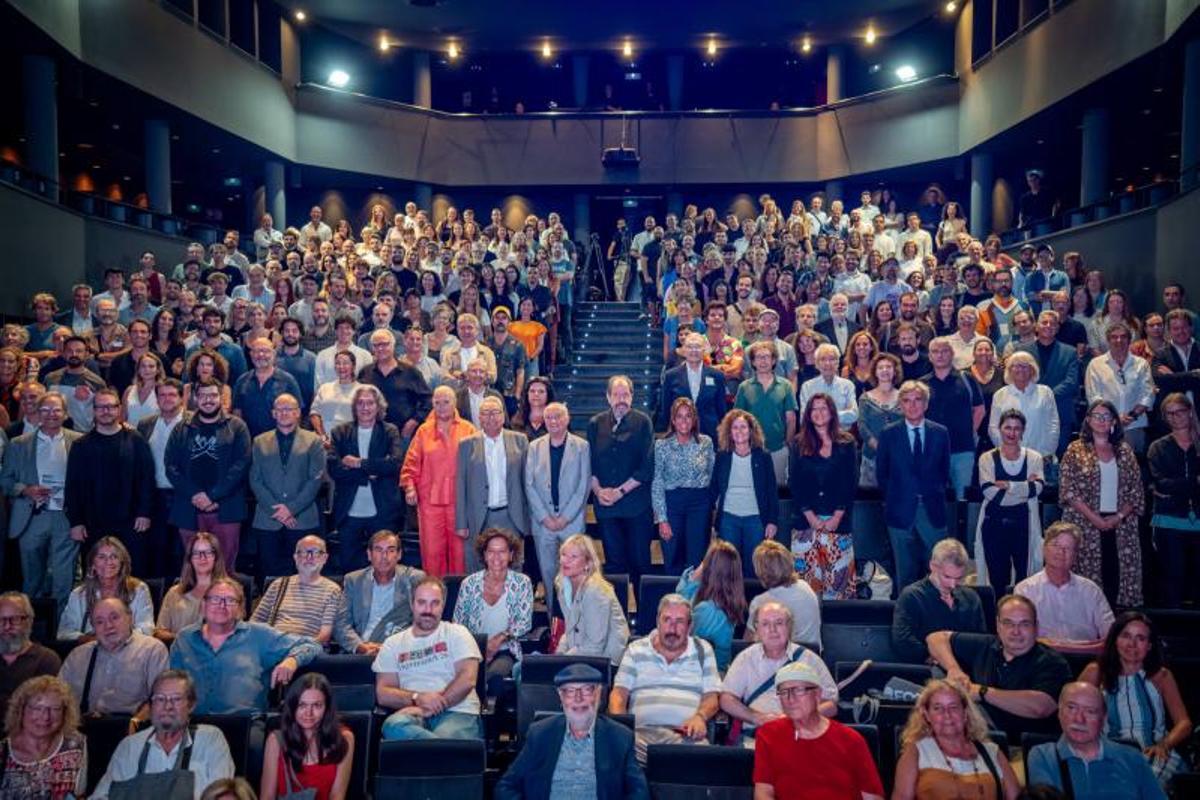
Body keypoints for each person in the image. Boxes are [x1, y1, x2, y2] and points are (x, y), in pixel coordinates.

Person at [169, 577, 321, 714]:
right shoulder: (185, 639)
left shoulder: (259, 635)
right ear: (203, 605)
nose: (222, 605)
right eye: (215, 599)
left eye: (230, 600)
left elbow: (311, 644)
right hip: (194, 725)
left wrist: (292, 660)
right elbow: (172, 687)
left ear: (240, 609)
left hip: (245, 726)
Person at [496, 662, 649, 799]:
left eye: (587, 690)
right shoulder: (540, 734)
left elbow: (640, 793)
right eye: (569, 691)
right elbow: (506, 786)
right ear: (561, 697)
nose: (578, 698)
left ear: (598, 694)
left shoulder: (620, 737)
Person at [925, 594, 1072, 736]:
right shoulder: (987, 645)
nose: (1016, 631)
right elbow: (936, 638)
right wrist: (953, 669)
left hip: (1026, 748)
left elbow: (1041, 707)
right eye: (1008, 623)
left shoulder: (1053, 662)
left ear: (1036, 627)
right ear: (998, 625)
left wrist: (983, 693)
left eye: (1024, 624)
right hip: (980, 737)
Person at [1079, 612, 1193, 787]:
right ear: (1115, 640)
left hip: (1153, 751)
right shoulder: (1095, 672)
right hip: (1107, 751)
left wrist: (1164, 744)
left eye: (1140, 638)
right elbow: (1073, 714)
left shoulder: (1161, 676)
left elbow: (1184, 723)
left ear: (1149, 646)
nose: (1132, 644)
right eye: (1126, 636)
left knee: (1141, 785)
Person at [609, 594, 721, 763]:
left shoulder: (702, 650)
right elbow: (618, 694)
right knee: (613, 753)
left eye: (680, 621)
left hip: (685, 736)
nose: (672, 628)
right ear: (658, 622)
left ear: (689, 626)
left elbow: (712, 698)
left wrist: (700, 717)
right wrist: (621, 729)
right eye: (667, 619)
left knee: (704, 761)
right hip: (639, 736)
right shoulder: (636, 650)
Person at [91, 669, 234, 800]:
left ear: (191, 705)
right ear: (150, 706)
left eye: (176, 699)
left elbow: (223, 796)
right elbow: (102, 796)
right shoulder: (130, 746)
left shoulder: (210, 739)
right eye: (160, 699)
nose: (168, 706)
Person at [751, 660, 885, 800]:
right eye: (784, 692)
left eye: (799, 690)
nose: (790, 699)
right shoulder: (769, 734)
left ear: (817, 695)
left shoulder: (851, 740)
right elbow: (763, 793)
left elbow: (872, 797)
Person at [373, 577, 483, 741]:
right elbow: (383, 693)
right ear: (412, 604)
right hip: (413, 715)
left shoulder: (458, 633)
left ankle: (435, 751)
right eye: (422, 602)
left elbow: (467, 680)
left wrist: (435, 706)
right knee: (392, 726)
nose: (428, 610)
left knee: (444, 739)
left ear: (442, 606)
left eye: (435, 603)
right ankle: (441, 753)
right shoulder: (393, 644)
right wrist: (417, 699)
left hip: (459, 712)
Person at [1060, 399, 1146, 607]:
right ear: (1088, 420)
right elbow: (1068, 490)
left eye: (1106, 416)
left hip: (1121, 525)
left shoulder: (1124, 450)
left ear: (1114, 421)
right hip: (1084, 523)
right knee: (1087, 586)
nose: (1101, 420)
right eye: (1096, 416)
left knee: (1117, 580)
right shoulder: (1075, 450)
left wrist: (1117, 517)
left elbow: (1136, 490)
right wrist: (1095, 519)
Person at [63, 386, 155, 576]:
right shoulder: (81, 446)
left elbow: (146, 479)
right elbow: (73, 487)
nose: (106, 411)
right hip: (92, 523)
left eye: (111, 407)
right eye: (101, 407)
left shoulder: (135, 440)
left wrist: (144, 513)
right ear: (94, 410)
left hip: (131, 521)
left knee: (132, 573)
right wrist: (76, 522)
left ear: (119, 409)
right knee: (96, 575)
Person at [1, 392, 81, 608]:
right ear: (37, 413)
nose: (50, 414)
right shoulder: (18, 444)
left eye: (56, 410)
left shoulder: (79, 441)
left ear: (65, 414)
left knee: (64, 579)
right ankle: (32, 629)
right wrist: (26, 489)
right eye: (45, 410)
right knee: (32, 580)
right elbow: (5, 480)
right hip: (31, 517)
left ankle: (60, 631)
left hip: (65, 518)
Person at [165, 377, 252, 574]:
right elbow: (171, 466)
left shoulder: (237, 427)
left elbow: (241, 465)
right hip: (189, 508)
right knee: (192, 568)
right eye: (203, 395)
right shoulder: (182, 428)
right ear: (195, 398)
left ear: (220, 397)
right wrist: (195, 495)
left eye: (213, 395)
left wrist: (213, 496)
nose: (208, 400)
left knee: (225, 568)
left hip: (226, 508)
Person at [721, 601, 836, 747]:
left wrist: (796, 718)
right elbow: (726, 698)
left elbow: (831, 704)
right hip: (757, 736)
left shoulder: (809, 659)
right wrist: (757, 718)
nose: (772, 630)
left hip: (802, 735)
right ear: (757, 629)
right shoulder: (746, 658)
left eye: (779, 623)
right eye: (765, 624)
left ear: (789, 626)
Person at [1027, 682, 1167, 800]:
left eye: (1090, 711)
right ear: (1059, 712)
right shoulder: (1042, 756)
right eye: (1071, 708)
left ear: (1104, 718)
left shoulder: (1132, 757)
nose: (1079, 719)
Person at [876, 381, 952, 594]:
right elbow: (882, 474)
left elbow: (944, 472)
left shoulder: (940, 432)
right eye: (907, 401)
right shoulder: (889, 434)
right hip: (900, 512)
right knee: (905, 574)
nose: (912, 405)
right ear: (900, 405)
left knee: (939, 572)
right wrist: (896, 498)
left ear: (926, 404)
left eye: (918, 400)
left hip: (932, 510)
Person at [892, 678, 1021, 800]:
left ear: (965, 713)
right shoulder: (916, 751)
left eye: (953, 707)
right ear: (927, 716)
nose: (947, 715)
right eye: (937, 708)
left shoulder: (993, 752)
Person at [401, 384, 477, 577]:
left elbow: (477, 466)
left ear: (455, 403)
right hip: (429, 504)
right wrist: (410, 487)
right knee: (432, 553)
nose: (442, 406)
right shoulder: (423, 431)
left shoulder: (468, 429)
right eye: (437, 402)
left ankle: (459, 599)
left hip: (460, 504)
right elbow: (411, 462)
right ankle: (434, 598)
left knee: (460, 554)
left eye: (446, 402)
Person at [587, 375, 656, 588]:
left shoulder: (643, 422)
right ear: (608, 397)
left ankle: (644, 618)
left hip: (636, 505)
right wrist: (598, 491)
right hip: (607, 507)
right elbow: (590, 464)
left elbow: (646, 466)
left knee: (640, 564)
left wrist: (620, 492)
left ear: (632, 397)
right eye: (616, 395)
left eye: (625, 394)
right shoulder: (595, 424)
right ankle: (617, 618)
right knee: (614, 567)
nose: (621, 399)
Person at [790, 392, 859, 599]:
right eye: (814, 409)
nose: (819, 413)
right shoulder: (798, 443)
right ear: (808, 414)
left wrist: (837, 516)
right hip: (806, 524)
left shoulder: (847, 443)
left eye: (823, 408)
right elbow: (795, 482)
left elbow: (850, 482)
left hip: (838, 524)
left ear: (831, 412)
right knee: (806, 591)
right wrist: (811, 516)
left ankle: (836, 631)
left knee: (838, 589)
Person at [249, 395, 327, 580]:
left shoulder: (313, 441)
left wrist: (291, 509)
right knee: (269, 576)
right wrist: (276, 510)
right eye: (280, 409)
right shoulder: (259, 441)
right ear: (273, 413)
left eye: (289, 409)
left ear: (298, 413)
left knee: (304, 576)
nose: (284, 413)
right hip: (268, 519)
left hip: (302, 518)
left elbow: (315, 479)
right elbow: (255, 479)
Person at [524, 403, 590, 618]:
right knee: (549, 575)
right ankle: (555, 622)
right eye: (549, 417)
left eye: (558, 417)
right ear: (544, 421)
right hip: (543, 525)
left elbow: (583, 485)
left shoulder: (581, 446)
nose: (554, 421)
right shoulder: (534, 447)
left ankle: (576, 618)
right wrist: (545, 517)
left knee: (575, 575)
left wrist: (565, 517)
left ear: (567, 419)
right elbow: (529, 485)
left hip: (571, 522)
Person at [328, 385, 402, 571]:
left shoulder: (389, 431)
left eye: (370, 403)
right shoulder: (340, 432)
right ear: (354, 407)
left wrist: (359, 463)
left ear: (378, 407)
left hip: (382, 510)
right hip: (349, 511)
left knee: (384, 566)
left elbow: (394, 465)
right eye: (360, 403)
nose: (365, 408)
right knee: (348, 566)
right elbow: (335, 469)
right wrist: (373, 470)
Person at [452, 529, 533, 698]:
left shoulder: (522, 583)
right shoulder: (469, 584)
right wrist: (480, 646)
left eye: (502, 551)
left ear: (511, 555)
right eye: (491, 551)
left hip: (505, 650)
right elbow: (457, 623)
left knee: (492, 679)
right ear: (484, 555)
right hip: (471, 649)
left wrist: (499, 640)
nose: (496, 557)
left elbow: (524, 622)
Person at [454, 396, 530, 574]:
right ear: (479, 418)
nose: (491, 417)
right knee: (479, 565)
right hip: (480, 517)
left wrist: (528, 518)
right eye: (485, 413)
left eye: (495, 412)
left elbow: (527, 482)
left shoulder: (520, 441)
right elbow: (461, 484)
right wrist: (461, 522)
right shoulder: (466, 445)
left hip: (512, 516)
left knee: (514, 564)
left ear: (503, 416)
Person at [1015, 522, 1114, 655]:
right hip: (1042, 662)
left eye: (1068, 548)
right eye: (1056, 545)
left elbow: (1112, 638)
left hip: (1085, 660)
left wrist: (1059, 647)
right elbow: (1020, 638)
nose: (1061, 552)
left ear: (1075, 556)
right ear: (1044, 549)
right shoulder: (1024, 590)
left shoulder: (1091, 590)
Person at [59, 597, 168, 717]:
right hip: (83, 727)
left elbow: (160, 699)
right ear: (93, 627)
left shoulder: (152, 650)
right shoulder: (77, 656)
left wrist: (137, 724)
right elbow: (58, 699)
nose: (108, 626)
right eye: (100, 622)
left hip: (131, 727)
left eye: (114, 618)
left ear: (130, 618)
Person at [975, 408, 1046, 588]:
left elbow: (1037, 488)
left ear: (1023, 431)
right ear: (1000, 429)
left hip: (1024, 524)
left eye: (1017, 428)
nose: (1012, 433)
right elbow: (991, 493)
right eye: (1008, 427)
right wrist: (1024, 487)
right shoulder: (986, 458)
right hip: (993, 525)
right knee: (997, 579)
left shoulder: (1034, 457)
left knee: (1024, 578)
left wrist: (1009, 485)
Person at [259, 673, 353, 800]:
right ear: (293, 706)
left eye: (317, 705)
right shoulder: (276, 740)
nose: (308, 713)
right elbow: (267, 797)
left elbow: (337, 796)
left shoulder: (344, 738)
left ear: (327, 708)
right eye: (302, 705)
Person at [892, 539, 987, 664]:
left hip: (968, 667)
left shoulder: (971, 598)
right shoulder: (912, 596)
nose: (953, 585)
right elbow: (903, 641)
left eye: (959, 578)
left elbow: (981, 640)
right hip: (928, 668)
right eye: (947, 577)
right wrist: (938, 659)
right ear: (932, 566)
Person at [711, 409, 780, 576]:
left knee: (753, 568)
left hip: (755, 519)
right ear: (729, 431)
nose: (739, 431)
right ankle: (731, 602)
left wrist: (772, 521)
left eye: (743, 427)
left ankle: (752, 602)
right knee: (729, 569)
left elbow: (772, 491)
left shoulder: (763, 457)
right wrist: (710, 523)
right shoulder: (722, 457)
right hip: (729, 519)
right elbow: (713, 490)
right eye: (735, 427)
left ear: (751, 431)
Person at [1147, 392, 1200, 607]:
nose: (1176, 417)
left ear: (1189, 412)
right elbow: (1161, 484)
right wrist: (1195, 482)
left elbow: (1170, 485)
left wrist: (1178, 486)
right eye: (1170, 414)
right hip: (1168, 521)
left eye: (1180, 412)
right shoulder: (1158, 447)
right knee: (1172, 579)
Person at [334, 529, 424, 655]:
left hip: (399, 651)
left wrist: (396, 647)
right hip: (362, 651)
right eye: (378, 550)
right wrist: (360, 647)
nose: (384, 556)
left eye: (391, 550)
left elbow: (422, 621)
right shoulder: (354, 580)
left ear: (399, 555)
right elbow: (341, 624)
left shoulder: (412, 579)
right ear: (369, 555)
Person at [651, 397, 716, 574]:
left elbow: (712, 474)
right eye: (679, 416)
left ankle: (694, 599)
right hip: (672, 504)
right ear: (673, 420)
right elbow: (657, 482)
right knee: (672, 556)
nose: (684, 420)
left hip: (699, 505)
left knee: (696, 559)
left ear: (694, 419)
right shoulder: (661, 445)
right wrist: (662, 519)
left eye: (688, 416)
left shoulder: (706, 443)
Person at [0, 675, 87, 800]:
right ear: (21, 710)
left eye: (55, 709)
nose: (46, 717)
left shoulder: (76, 745)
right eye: (37, 708)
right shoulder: (3, 751)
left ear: (65, 713)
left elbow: (80, 795)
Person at [58, 537, 154, 641]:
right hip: (90, 648)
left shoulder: (139, 589)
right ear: (93, 564)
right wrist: (87, 639)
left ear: (122, 562)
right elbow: (64, 632)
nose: (108, 562)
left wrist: (118, 638)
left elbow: (147, 628)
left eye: (114, 556)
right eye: (101, 557)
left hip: (129, 647)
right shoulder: (79, 594)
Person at [251, 535, 342, 645]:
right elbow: (254, 622)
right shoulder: (279, 584)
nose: (309, 557)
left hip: (307, 648)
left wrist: (297, 647)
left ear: (325, 558)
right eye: (303, 552)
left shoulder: (332, 590)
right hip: (272, 644)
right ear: (295, 557)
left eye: (316, 552)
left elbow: (324, 636)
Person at [554, 534, 630, 664]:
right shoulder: (563, 587)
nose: (565, 561)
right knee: (524, 670)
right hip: (580, 654)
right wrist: (559, 654)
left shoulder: (596, 590)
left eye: (573, 557)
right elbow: (570, 630)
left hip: (605, 660)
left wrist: (564, 660)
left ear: (587, 563)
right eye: (564, 555)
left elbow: (595, 646)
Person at [734, 341, 798, 485]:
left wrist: (787, 444)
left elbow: (791, 419)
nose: (763, 361)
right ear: (753, 362)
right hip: (750, 449)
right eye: (759, 357)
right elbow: (737, 420)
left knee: (777, 492)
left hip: (777, 449)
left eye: (767, 357)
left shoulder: (785, 386)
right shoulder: (744, 387)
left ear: (774, 360)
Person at [675, 540, 746, 672]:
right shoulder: (727, 600)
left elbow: (678, 625)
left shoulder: (707, 610)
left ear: (709, 568)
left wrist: (699, 572)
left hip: (705, 673)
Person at [1086, 321, 1154, 453]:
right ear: (1108, 340)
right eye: (1114, 337)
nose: (1119, 340)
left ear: (1130, 340)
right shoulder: (1096, 364)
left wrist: (1132, 416)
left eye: (1123, 337)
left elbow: (1148, 394)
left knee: (1134, 468)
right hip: (1105, 425)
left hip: (1135, 425)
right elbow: (1094, 396)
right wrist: (1114, 417)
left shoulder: (1141, 364)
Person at [988, 351, 1060, 465]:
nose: (1020, 369)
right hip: (1010, 459)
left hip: (1042, 458)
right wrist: (1008, 451)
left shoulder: (1045, 392)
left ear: (1033, 370)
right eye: (1016, 365)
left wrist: (1045, 453)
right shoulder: (1000, 395)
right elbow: (994, 428)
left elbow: (1053, 425)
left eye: (1025, 365)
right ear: (1009, 370)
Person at [155, 532, 227, 645]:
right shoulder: (174, 592)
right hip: (179, 653)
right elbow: (159, 632)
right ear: (190, 559)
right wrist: (184, 640)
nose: (202, 557)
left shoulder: (228, 592)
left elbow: (234, 633)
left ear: (216, 557)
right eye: (196, 553)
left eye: (207, 552)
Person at [0, 593, 62, 719]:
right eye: (1, 620)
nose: (7, 626)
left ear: (29, 621)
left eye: (15, 620)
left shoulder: (47, 660)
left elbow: (40, 710)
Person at [658, 332, 728, 442]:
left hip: (710, 435)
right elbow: (666, 409)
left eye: (698, 347)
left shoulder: (717, 376)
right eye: (690, 346)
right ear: (683, 350)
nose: (693, 350)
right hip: (680, 435)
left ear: (704, 349)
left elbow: (721, 410)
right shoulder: (670, 376)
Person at [233, 338, 303, 440]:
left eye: (265, 351)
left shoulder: (288, 381)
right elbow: (237, 414)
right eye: (256, 351)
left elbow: (297, 414)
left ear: (274, 354)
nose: (261, 355)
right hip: (249, 443)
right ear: (251, 354)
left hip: (279, 442)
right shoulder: (242, 381)